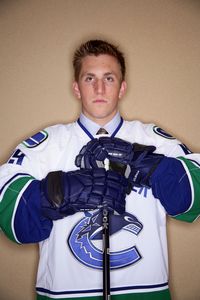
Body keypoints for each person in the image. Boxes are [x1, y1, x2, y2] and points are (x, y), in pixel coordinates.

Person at [0, 39, 199, 300]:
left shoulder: (155, 140)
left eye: (109, 78)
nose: (99, 87)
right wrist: (58, 191)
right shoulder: (46, 144)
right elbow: (6, 200)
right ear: (76, 88)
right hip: (64, 294)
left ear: (122, 87)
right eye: (89, 78)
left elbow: (194, 197)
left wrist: (152, 165)